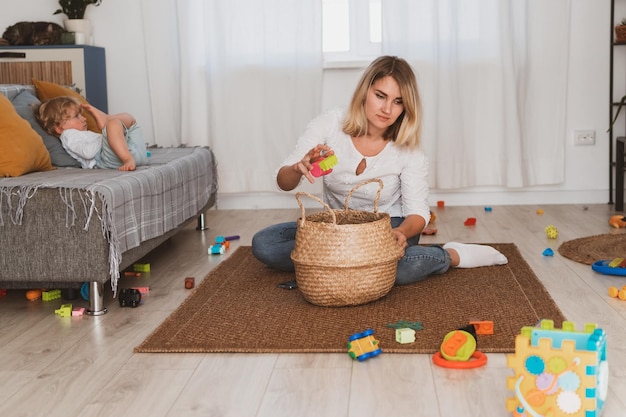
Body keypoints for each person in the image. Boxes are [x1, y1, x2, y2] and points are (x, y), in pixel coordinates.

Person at [251, 55, 508, 285]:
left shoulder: (409, 151)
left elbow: (418, 215)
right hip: (339, 228)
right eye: (380, 96)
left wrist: (402, 232)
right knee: (265, 245)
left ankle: (449, 255)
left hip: (389, 227)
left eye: (398, 102)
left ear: (406, 107)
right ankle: (355, 267)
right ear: (365, 92)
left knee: (399, 270)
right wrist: (299, 167)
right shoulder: (329, 125)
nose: (387, 109)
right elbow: (283, 181)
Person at [35, 96, 148, 171]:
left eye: (81, 115)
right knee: (113, 125)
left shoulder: (77, 133)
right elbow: (88, 153)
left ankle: (108, 120)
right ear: (59, 128)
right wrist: (105, 137)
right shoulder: (68, 135)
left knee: (130, 119)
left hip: (124, 153)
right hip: (105, 159)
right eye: (76, 116)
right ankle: (127, 157)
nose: (84, 119)